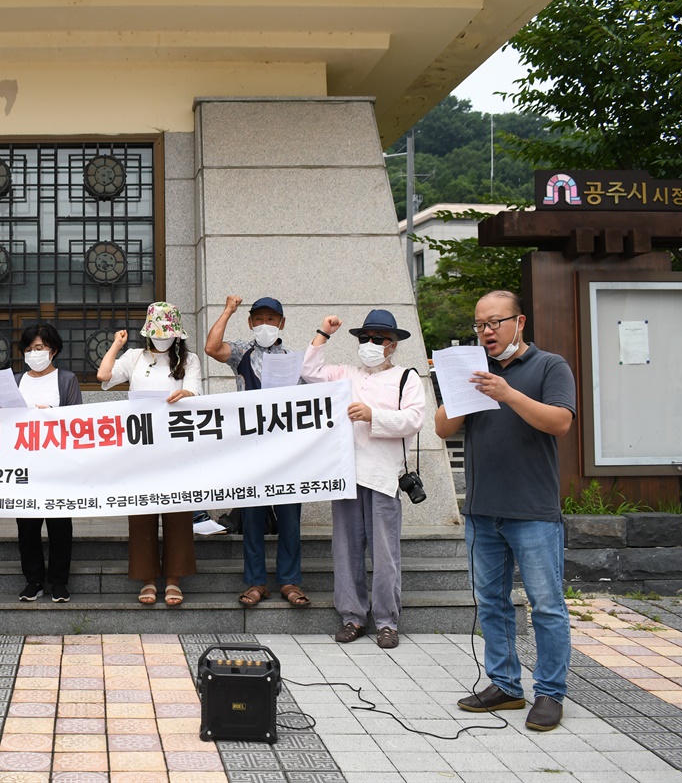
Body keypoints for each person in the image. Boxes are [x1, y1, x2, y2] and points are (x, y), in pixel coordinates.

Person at [435, 290, 575, 733]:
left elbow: (560, 422)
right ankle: (505, 684)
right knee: (492, 603)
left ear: (520, 322)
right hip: (482, 510)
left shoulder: (550, 366)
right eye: (480, 325)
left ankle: (550, 693)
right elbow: (442, 428)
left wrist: (508, 393)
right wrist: (457, 387)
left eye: (495, 322)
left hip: (532, 509)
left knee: (546, 605)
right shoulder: (476, 371)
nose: (487, 332)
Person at [303, 309, 424, 648]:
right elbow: (308, 370)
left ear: (392, 344)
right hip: (345, 473)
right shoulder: (346, 373)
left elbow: (414, 419)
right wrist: (323, 333)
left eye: (377, 339)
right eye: (364, 338)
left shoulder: (406, 378)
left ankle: (387, 620)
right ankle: (352, 616)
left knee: (385, 553)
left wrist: (374, 415)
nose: (369, 344)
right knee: (345, 549)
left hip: (384, 476)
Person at [204, 295, 309, 609]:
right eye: (259, 319)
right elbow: (211, 347)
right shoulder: (241, 352)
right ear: (251, 323)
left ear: (282, 323)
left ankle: (290, 581)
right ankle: (256, 582)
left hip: (286, 452)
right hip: (250, 451)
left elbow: (312, 400)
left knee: (290, 517)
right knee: (252, 518)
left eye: (271, 319)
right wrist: (227, 311)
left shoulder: (295, 359)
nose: (265, 324)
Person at [96, 301, 202, 606]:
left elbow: (195, 393)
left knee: (177, 513)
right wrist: (117, 345)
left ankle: (173, 579)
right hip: (140, 446)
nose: (162, 337)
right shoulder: (134, 357)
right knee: (141, 514)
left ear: (177, 334)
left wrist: (184, 394)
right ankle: (147, 579)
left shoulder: (189, 360)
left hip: (177, 445)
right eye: (157, 331)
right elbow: (104, 376)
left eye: (167, 331)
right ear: (147, 333)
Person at [13, 323, 83, 604]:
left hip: (56, 464)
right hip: (23, 464)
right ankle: (33, 581)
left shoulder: (66, 380)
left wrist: (50, 414)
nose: (34, 353)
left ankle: (59, 581)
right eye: (29, 349)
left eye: (39, 348)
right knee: (27, 526)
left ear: (53, 350)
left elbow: (78, 422)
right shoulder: (17, 380)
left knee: (59, 526)